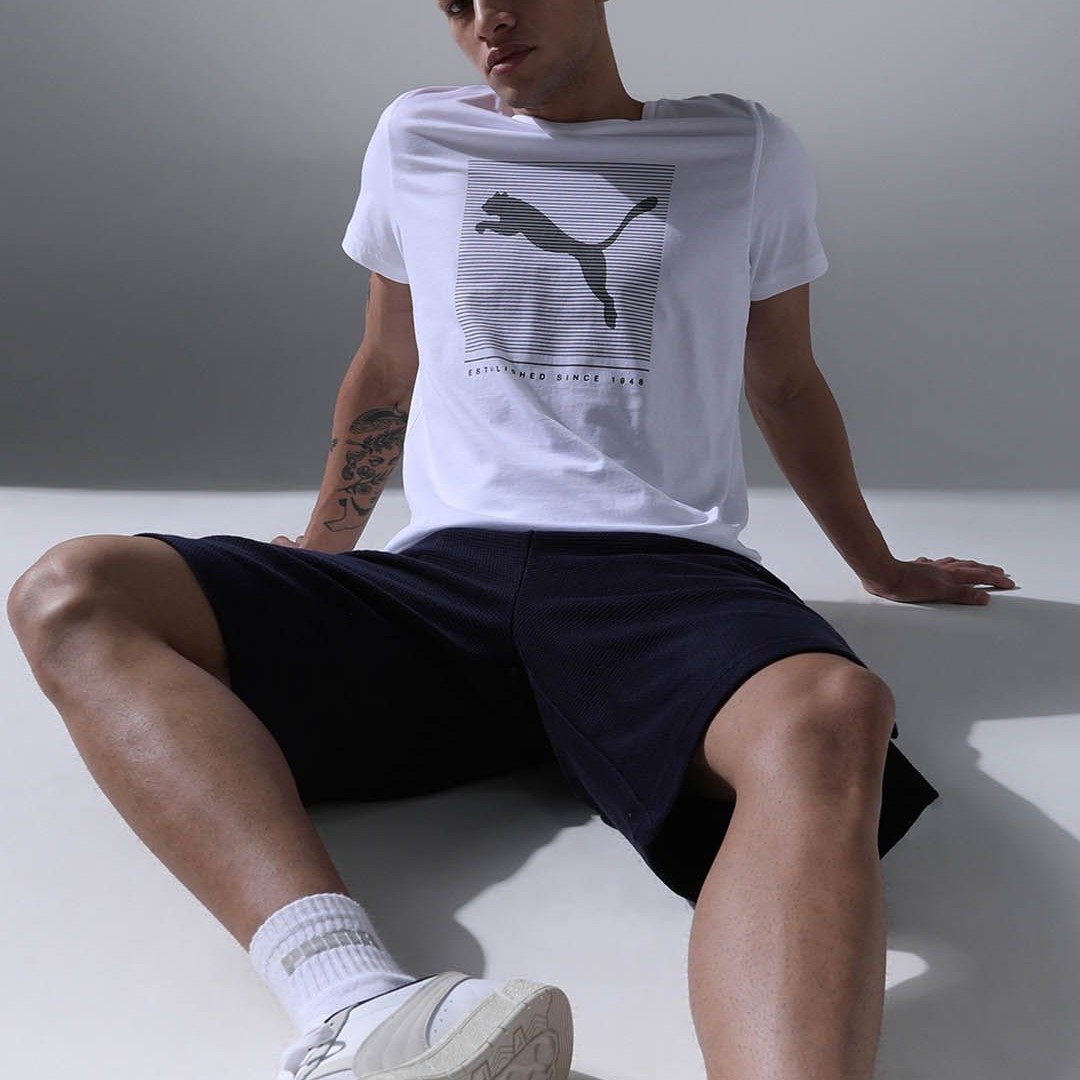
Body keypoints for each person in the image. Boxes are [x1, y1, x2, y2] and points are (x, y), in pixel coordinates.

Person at [7, 1, 1018, 1078]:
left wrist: (879, 567)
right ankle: (358, 1011)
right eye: (456, 1)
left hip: (662, 584)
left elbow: (786, 381)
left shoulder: (744, 148)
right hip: (444, 587)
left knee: (836, 711)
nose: (487, 19)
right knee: (75, 589)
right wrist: (324, 546)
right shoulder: (417, 135)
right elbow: (387, 362)